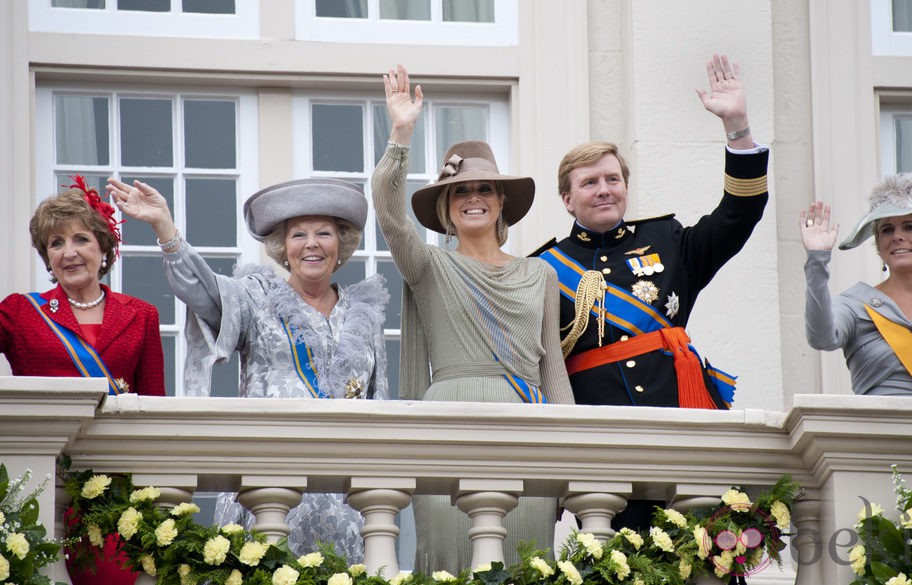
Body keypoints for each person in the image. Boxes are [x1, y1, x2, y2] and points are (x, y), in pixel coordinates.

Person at [532, 53, 770, 531]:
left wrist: (737, 126)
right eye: (589, 182)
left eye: (613, 179)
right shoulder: (542, 270)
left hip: (681, 431)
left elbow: (736, 216)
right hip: (602, 449)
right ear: (567, 198)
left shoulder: (668, 242)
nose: (604, 190)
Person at [106, 175, 389, 561]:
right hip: (267, 485)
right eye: (298, 235)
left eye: (324, 233)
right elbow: (200, 290)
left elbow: (381, 406)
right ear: (282, 248)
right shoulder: (256, 298)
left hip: (344, 503)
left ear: (341, 244)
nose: (311, 244)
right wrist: (165, 229)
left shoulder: (364, 315)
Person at [373, 64, 574, 573]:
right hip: (448, 419)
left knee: (525, 562)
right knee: (450, 562)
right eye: (460, 191)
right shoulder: (429, 265)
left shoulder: (540, 274)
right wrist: (401, 134)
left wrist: (574, 451)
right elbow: (391, 216)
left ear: (501, 202)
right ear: (445, 205)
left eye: (484, 189)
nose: (473, 198)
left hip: (527, 422)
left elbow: (553, 371)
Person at [0, 175, 165, 585]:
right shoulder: (20, 312)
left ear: (104, 248)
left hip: (115, 491)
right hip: (40, 480)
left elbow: (156, 405)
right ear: (46, 256)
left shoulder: (141, 314)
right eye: (56, 243)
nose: (69, 253)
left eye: (81, 240)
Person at [801, 172, 912, 398]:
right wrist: (817, 260)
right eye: (887, 229)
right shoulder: (857, 304)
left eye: (910, 226)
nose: (897, 236)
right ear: (879, 243)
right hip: (878, 432)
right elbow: (821, 338)